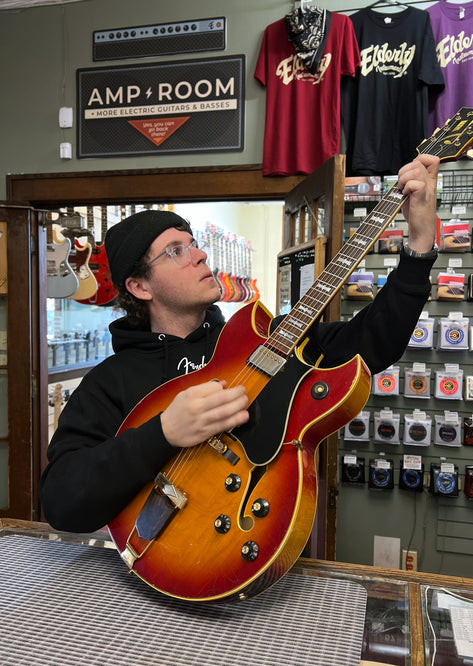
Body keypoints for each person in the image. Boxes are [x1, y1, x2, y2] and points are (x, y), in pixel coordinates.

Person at [40, 154, 440, 534]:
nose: (199, 255)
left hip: (263, 545)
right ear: (139, 286)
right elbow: (60, 500)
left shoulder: (266, 341)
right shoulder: (109, 382)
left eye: (193, 243)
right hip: (155, 570)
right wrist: (161, 433)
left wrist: (420, 242)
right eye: (175, 251)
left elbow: (375, 341)